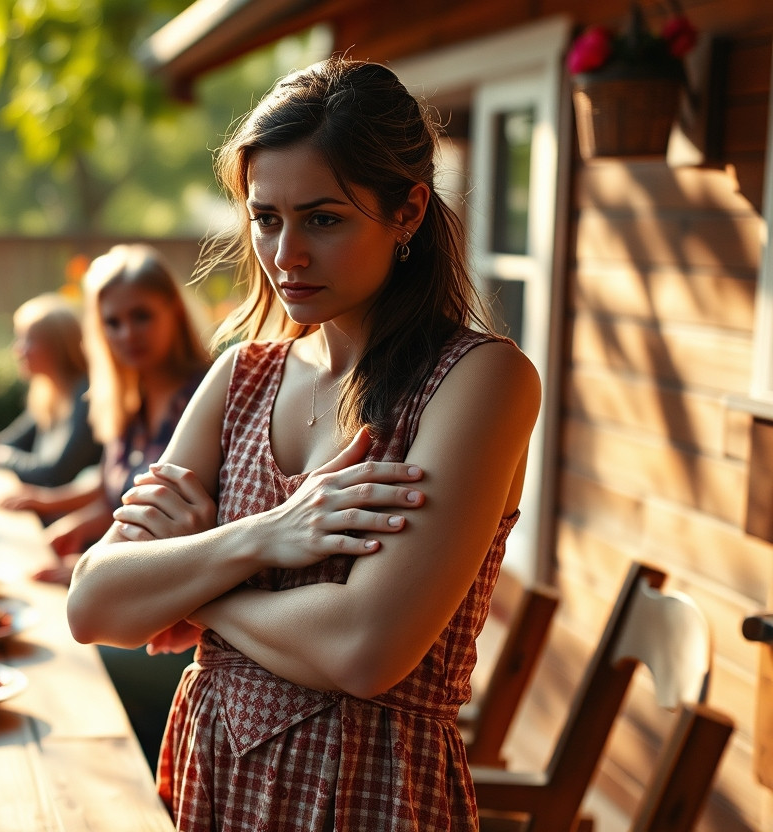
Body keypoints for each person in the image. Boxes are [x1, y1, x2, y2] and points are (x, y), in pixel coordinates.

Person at [66, 58, 541, 830]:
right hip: (211, 777)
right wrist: (264, 536)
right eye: (266, 218)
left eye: (324, 218)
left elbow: (365, 650)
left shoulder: (480, 380)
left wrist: (198, 585)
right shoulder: (242, 376)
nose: (285, 254)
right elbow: (95, 604)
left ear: (409, 211)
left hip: (367, 792)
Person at [6, 245, 212, 580]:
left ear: (174, 311)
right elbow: (115, 498)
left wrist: (90, 565)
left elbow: (188, 534)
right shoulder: (128, 401)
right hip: (118, 576)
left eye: (141, 316)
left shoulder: (207, 395)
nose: (127, 334)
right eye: (112, 323)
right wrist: (72, 526)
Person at [0, 293, 102, 487]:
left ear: (59, 346)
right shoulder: (48, 392)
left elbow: (54, 474)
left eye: (29, 341)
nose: (18, 350)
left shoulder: (86, 396)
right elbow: (15, 441)